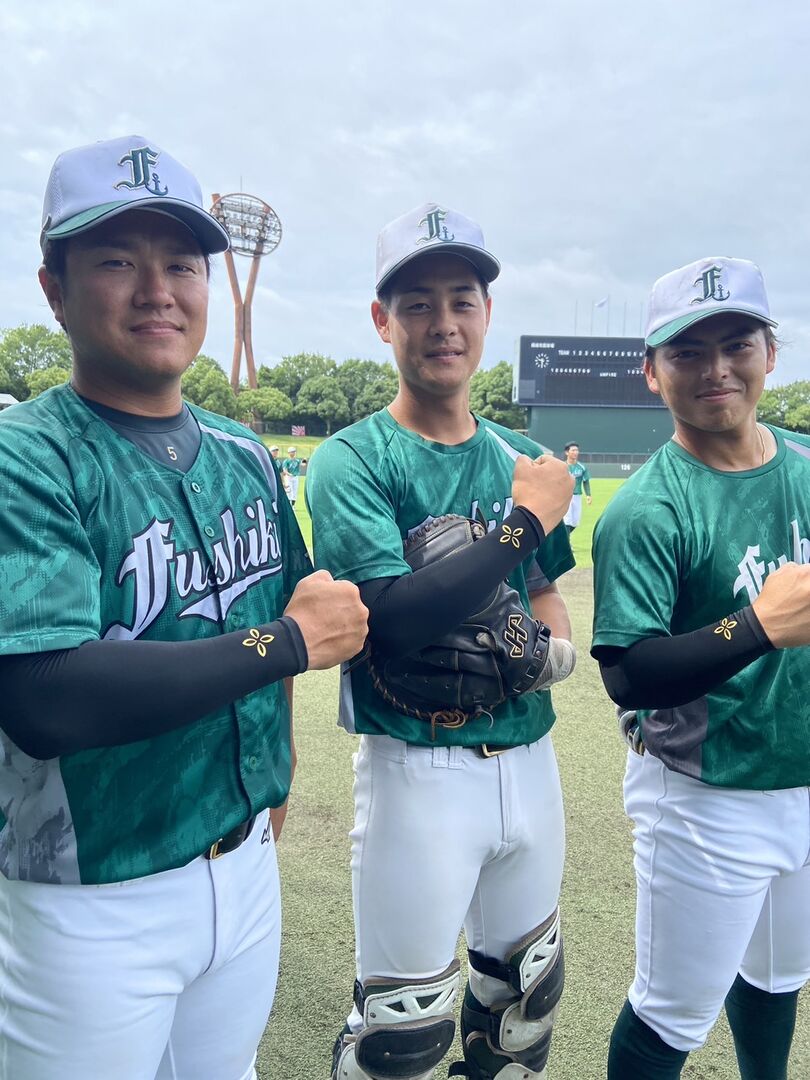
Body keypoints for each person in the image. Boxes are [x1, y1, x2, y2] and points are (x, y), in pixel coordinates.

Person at [0, 134, 368, 1080]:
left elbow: (284, 598)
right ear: (53, 288)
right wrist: (287, 645)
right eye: (117, 261)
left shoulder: (244, 454)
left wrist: (275, 773)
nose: (158, 290)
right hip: (89, 895)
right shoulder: (26, 455)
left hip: (242, 869)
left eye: (182, 263)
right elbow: (46, 696)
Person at [307, 202, 577, 1080]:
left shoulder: (522, 453)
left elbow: (545, 592)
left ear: (487, 314)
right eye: (417, 304)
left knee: (525, 1002)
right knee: (403, 1035)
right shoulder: (354, 458)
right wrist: (519, 524)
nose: (444, 323)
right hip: (417, 768)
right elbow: (391, 620)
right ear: (381, 320)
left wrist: (548, 653)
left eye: (462, 300)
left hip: (530, 762)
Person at [591, 256, 810, 1079]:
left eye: (737, 344)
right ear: (653, 371)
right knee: (670, 1014)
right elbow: (630, 675)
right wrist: (757, 626)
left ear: (770, 353)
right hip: (706, 796)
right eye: (688, 351)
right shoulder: (649, 507)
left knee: (780, 974)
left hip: (803, 774)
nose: (717, 369)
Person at [561, 441, 591, 533]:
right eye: (573, 450)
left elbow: (585, 481)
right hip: (565, 496)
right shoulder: (562, 466)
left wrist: (588, 495)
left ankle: (565, 536)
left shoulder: (581, 467)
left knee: (575, 522)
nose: (575, 452)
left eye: (577, 450)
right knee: (567, 520)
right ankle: (567, 540)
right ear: (567, 452)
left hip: (577, 495)